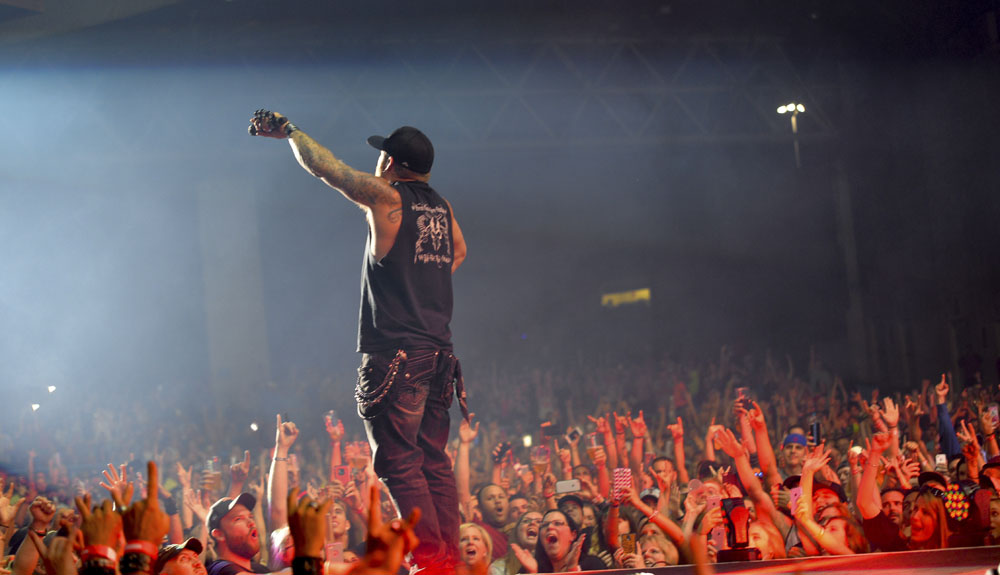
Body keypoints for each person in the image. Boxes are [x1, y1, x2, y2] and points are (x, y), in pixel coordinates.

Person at [249, 111, 468, 574]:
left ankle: (432, 562)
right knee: (432, 459)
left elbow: (328, 169)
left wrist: (290, 132)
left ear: (390, 162)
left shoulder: (387, 198)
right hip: (438, 353)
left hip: (398, 355)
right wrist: (421, 283)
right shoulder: (442, 206)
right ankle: (448, 556)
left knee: (399, 461)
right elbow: (460, 251)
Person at [205, 493, 268, 575]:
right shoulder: (219, 569)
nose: (251, 523)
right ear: (219, 534)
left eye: (250, 517)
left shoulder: (260, 569)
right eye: (238, 519)